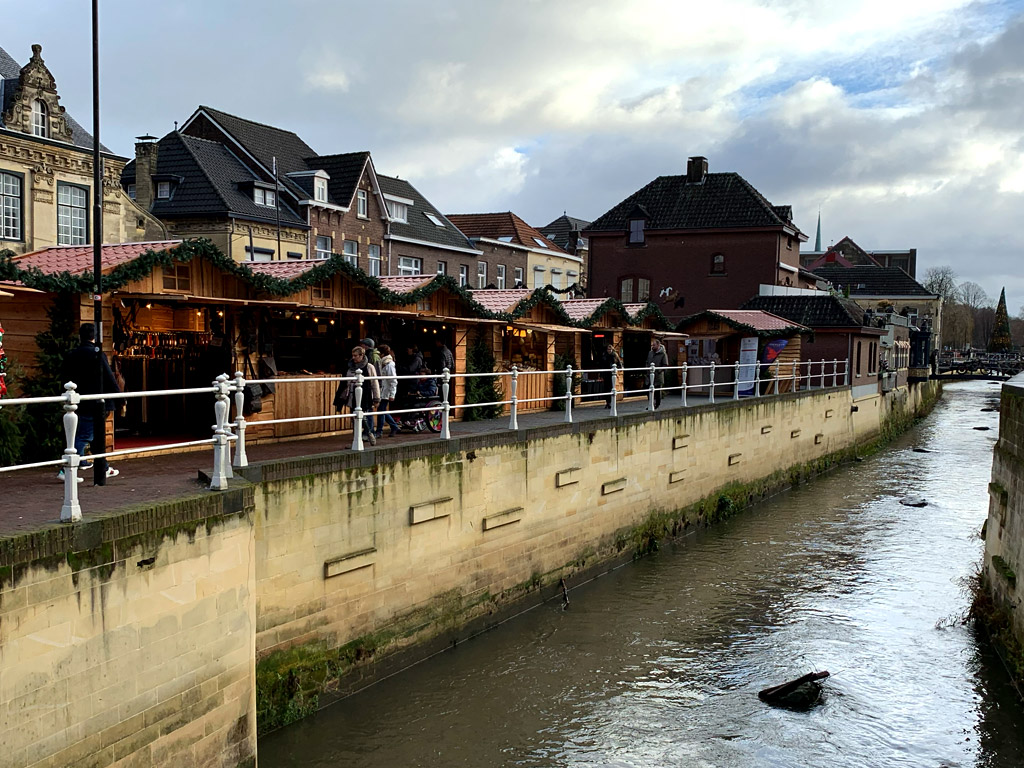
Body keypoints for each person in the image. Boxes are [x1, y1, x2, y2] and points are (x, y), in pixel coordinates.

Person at [59, 323, 121, 480]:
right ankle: (66, 471)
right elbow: (109, 377)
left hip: (79, 400)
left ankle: (103, 467)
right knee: (84, 435)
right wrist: (120, 397)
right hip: (97, 402)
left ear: (80, 336)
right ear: (94, 337)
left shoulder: (72, 354)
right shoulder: (98, 354)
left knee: (95, 435)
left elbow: (64, 377)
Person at [342, 345, 381, 445]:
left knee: (364, 417)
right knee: (354, 417)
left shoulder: (369, 367)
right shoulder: (350, 367)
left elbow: (374, 382)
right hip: (352, 395)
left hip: (365, 395)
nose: (353, 358)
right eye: (353, 355)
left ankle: (369, 433)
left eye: (356, 356)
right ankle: (357, 437)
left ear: (361, 355)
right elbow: (346, 382)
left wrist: (376, 398)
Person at [374, 344, 401, 438]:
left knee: (381, 410)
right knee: (382, 410)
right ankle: (393, 426)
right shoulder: (384, 363)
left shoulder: (389, 365)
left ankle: (380, 431)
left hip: (385, 391)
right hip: (383, 390)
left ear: (382, 354)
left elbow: (393, 380)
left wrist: (392, 393)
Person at [646, 336, 669, 410]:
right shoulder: (650, 353)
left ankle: (657, 404)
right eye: (652, 345)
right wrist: (647, 369)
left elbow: (665, 365)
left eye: (654, 345)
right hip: (649, 375)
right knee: (648, 390)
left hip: (658, 376)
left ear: (658, 345)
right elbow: (647, 361)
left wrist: (658, 371)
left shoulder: (663, 354)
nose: (652, 346)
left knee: (657, 391)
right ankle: (651, 404)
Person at [599, 343, 622, 409]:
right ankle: (607, 402)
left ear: (612, 349)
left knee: (611, 388)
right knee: (606, 388)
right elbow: (602, 365)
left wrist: (616, 370)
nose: (609, 350)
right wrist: (601, 374)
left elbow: (619, 364)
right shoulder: (604, 355)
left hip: (612, 374)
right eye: (608, 349)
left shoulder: (614, 355)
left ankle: (611, 402)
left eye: (610, 349)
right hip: (606, 373)